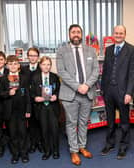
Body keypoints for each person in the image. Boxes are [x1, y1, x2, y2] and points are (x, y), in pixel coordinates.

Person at [56, 24, 99, 165]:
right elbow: (62, 72)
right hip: (70, 94)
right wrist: (78, 86)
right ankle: (73, 150)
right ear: (69, 34)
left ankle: (82, 146)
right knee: (71, 123)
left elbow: (96, 71)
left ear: (81, 34)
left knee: (83, 123)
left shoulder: (91, 51)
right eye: (73, 32)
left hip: (87, 93)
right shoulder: (61, 51)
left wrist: (86, 85)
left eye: (78, 32)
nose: (76, 34)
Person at [101, 25, 134, 159]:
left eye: (121, 33)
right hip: (108, 91)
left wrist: (129, 93)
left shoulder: (131, 50)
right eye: (116, 33)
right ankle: (110, 143)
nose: (118, 35)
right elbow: (105, 71)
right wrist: (103, 89)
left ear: (124, 34)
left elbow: (132, 73)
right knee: (110, 120)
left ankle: (123, 146)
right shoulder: (108, 50)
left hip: (123, 92)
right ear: (113, 34)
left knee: (124, 122)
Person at [0, 55, 31, 164]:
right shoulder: (3, 78)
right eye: (10, 64)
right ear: (7, 65)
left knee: (23, 132)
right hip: (9, 111)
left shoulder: (24, 78)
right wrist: (8, 93)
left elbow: (27, 95)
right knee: (12, 133)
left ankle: (24, 153)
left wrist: (28, 110)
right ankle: (15, 154)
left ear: (19, 66)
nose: (13, 66)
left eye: (15, 63)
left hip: (21, 110)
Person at [30, 56, 60, 160]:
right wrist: (35, 98)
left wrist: (56, 95)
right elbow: (31, 93)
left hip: (52, 107)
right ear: (40, 65)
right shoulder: (35, 77)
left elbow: (58, 89)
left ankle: (56, 151)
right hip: (41, 108)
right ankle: (47, 151)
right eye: (44, 64)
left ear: (51, 66)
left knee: (55, 130)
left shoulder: (55, 77)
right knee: (44, 130)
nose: (46, 67)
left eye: (48, 64)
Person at [22, 47, 43, 153]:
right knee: (31, 124)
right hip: (27, 101)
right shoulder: (23, 69)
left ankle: (39, 143)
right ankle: (33, 143)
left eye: (35, 55)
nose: (33, 57)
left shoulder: (42, 68)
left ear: (38, 57)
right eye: (31, 55)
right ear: (28, 56)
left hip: (39, 101)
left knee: (40, 123)